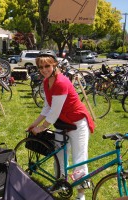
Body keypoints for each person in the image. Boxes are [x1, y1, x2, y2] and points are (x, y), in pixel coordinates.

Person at [27, 50, 95, 200]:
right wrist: (34, 124)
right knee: (58, 155)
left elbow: (54, 111)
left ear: (55, 64)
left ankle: (81, 195)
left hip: (78, 122)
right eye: (40, 67)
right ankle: (60, 184)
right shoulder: (46, 82)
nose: (44, 70)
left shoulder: (61, 82)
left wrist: (42, 127)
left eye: (47, 66)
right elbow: (47, 107)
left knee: (80, 159)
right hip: (62, 123)